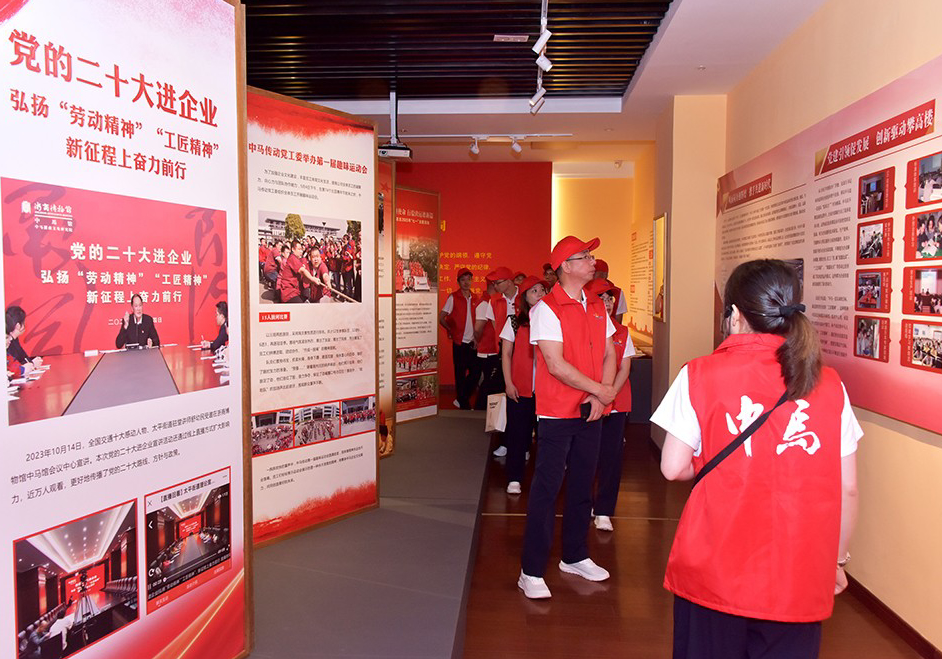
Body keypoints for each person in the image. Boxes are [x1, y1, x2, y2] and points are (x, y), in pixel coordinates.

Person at [652, 259, 861, 659]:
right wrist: (836, 561)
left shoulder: (699, 373)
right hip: (797, 572)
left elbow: (672, 467)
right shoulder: (829, 383)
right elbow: (847, 487)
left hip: (714, 567)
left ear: (734, 315)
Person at [518, 236, 618, 599]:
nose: (593, 261)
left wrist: (601, 394)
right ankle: (531, 571)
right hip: (557, 412)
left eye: (591, 256)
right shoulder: (546, 309)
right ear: (566, 266)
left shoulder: (596, 304)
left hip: (591, 409)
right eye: (585, 256)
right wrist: (601, 390)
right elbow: (556, 365)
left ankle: (575, 555)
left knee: (582, 484)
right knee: (546, 489)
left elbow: (609, 352)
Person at [585, 278, 636, 532]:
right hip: (587, 400)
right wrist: (597, 393)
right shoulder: (582, 329)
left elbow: (625, 367)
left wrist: (609, 393)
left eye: (609, 298)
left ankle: (604, 509)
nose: (606, 303)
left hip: (616, 401)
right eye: (601, 298)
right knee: (585, 456)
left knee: (611, 457)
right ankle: (583, 503)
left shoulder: (621, 332)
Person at [499, 275, 546, 494]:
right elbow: (506, 354)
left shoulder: (552, 321)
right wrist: (508, 383)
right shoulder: (514, 322)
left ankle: (546, 479)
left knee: (547, 436)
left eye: (542, 290)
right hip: (520, 387)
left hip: (547, 390)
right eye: (534, 291)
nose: (540, 294)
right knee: (517, 434)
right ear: (525, 297)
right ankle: (514, 477)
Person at [439, 268, 479, 409]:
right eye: (463, 280)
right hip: (459, 342)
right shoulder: (453, 297)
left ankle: (461, 398)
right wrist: (450, 330)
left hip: (473, 342)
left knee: (475, 373)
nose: (466, 282)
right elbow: (441, 317)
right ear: (458, 282)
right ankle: (464, 404)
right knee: (460, 375)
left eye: (468, 279)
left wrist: (477, 338)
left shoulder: (476, 298)